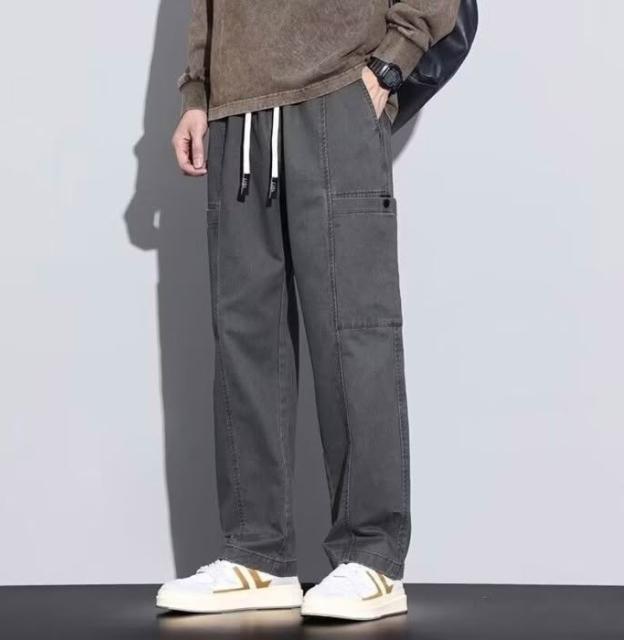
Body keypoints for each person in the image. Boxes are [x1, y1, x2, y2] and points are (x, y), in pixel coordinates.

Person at [157, 0, 459, 622]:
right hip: (235, 107)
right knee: (244, 337)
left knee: (354, 329)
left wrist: (391, 64)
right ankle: (256, 555)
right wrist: (197, 92)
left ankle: (372, 556)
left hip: (339, 85)